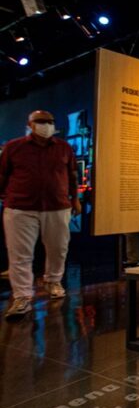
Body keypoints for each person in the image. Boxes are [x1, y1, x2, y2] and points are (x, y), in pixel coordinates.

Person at [0, 110, 82, 319]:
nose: (46, 125)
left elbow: (72, 175)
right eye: (41, 121)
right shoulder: (14, 147)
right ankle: (22, 296)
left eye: (49, 121)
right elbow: (2, 174)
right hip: (20, 207)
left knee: (58, 248)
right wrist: (7, 197)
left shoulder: (64, 148)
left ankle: (53, 280)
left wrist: (75, 198)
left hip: (57, 206)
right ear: (30, 124)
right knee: (20, 254)